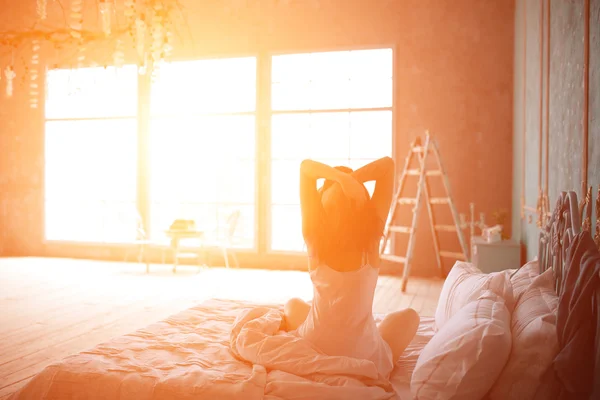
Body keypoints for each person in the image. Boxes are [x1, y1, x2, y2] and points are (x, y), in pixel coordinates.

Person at [283, 157, 420, 377]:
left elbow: (306, 168)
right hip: (362, 354)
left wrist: (339, 180)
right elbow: (387, 167)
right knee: (410, 317)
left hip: (316, 346)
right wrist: (351, 182)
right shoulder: (371, 241)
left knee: (293, 305)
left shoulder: (314, 238)